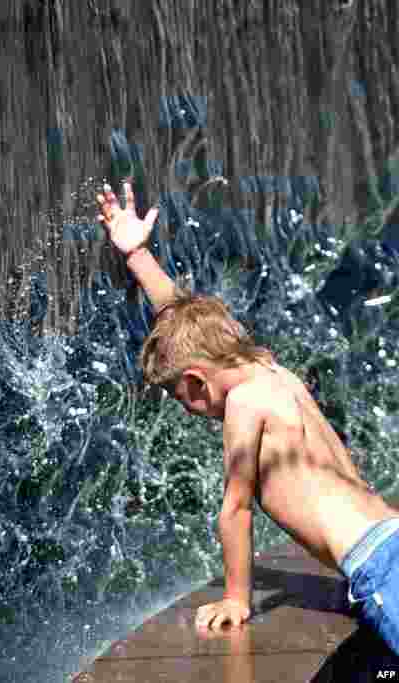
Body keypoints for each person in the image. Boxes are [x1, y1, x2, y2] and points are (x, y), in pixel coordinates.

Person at [95, 180, 399, 652]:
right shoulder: (266, 367)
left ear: (196, 381)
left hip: (378, 564)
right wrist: (137, 256)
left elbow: (235, 509)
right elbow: (187, 324)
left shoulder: (242, 403)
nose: (192, 411)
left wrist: (236, 598)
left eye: (182, 398)